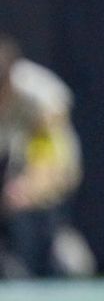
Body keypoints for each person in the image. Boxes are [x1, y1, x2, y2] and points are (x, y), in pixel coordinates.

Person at [0, 34, 90, 278]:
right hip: (11, 160)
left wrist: (30, 187)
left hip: (42, 167)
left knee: (37, 228)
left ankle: (60, 249)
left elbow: (56, 161)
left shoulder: (40, 96)